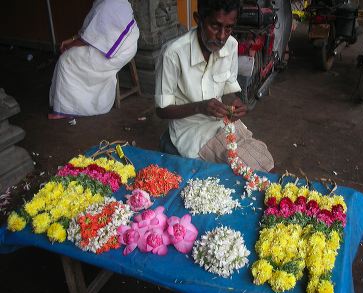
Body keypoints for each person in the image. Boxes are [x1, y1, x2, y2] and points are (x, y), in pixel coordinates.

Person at [155, 0, 274, 172]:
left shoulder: (231, 45)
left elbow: (228, 90)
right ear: (198, 19)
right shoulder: (173, 54)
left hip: (221, 124)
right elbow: (161, 110)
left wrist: (236, 103)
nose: (221, 36)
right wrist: (200, 107)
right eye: (215, 26)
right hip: (191, 133)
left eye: (228, 28)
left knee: (263, 160)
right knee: (245, 170)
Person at [48, 0, 139, 119]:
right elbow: (93, 31)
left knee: (66, 60)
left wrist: (69, 45)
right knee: (72, 55)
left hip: (118, 52)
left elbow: (89, 38)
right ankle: (64, 103)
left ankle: (66, 108)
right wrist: (73, 39)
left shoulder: (107, 4)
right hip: (127, 44)